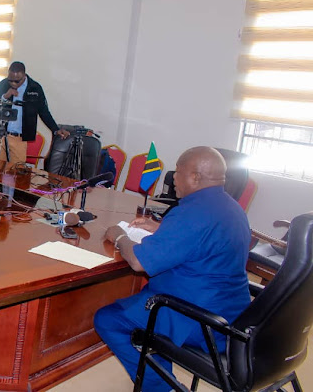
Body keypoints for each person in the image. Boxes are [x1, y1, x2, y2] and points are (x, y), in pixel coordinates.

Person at [94, 146, 251, 392]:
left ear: (195, 177)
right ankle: (161, 374)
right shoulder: (232, 208)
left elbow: (138, 262)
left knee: (108, 319)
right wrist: (162, 228)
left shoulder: (191, 212)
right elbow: (204, 240)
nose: (173, 178)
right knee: (140, 307)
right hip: (232, 314)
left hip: (198, 319)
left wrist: (120, 236)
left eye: (178, 171)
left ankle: (160, 387)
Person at [0, 61, 69, 164]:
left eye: (17, 81)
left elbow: (43, 111)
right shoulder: (3, 84)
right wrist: (5, 96)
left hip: (19, 139)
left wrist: (55, 129)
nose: (13, 83)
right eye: (10, 80)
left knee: (16, 171)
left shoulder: (35, 88)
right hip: (2, 136)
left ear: (24, 76)